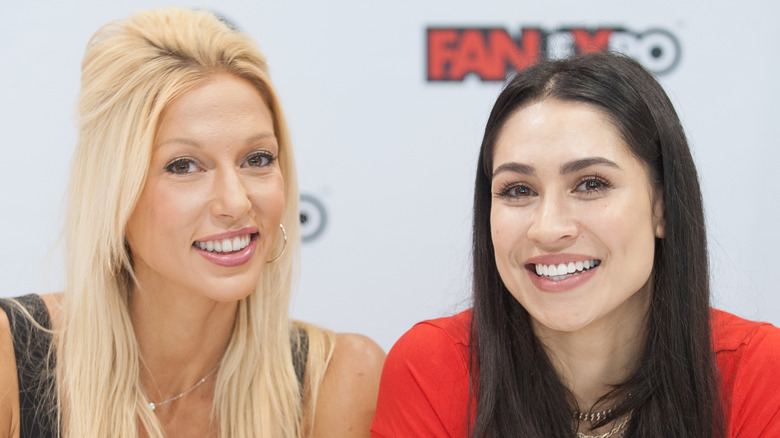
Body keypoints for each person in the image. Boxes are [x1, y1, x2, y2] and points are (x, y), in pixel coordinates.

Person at [0, 8, 384, 438]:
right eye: (184, 166)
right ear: (114, 193)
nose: (236, 202)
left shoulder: (340, 380)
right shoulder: (8, 359)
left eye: (257, 159)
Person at [371, 52, 780, 437]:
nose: (548, 229)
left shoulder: (759, 369)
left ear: (663, 207)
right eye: (517, 190)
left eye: (591, 184)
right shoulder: (433, 365)